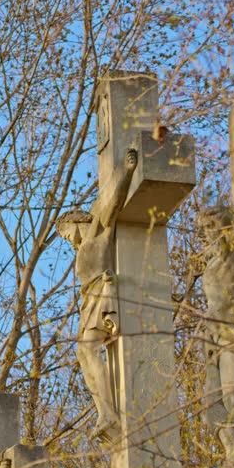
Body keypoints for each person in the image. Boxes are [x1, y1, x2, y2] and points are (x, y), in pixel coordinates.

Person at [56, 149, 138, 441]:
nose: (68, 239)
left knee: (87, 350)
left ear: (77, 221)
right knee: (83, 352)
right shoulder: (84, 244)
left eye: (66, 232)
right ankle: (105, 411)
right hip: (88, 300)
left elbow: (113, 205)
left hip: (101, 295)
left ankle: (108, 413)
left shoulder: (97, 233)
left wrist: (127, 172)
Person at [196, 205, 234, 468]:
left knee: (233, 395)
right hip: (215, 336)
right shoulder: (213, 262)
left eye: (211, 227)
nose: (207, 235)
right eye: (203, 230)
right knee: (213, 401)